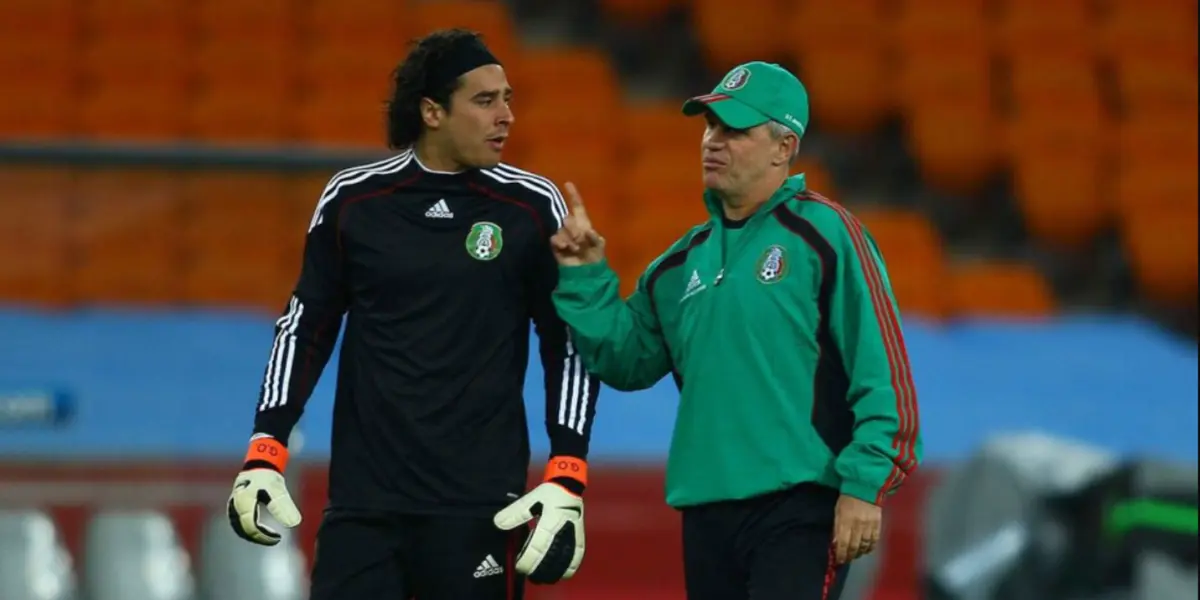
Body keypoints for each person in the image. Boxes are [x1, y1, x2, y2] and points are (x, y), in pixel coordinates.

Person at [224, 29, 600, 600]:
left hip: (480, 509)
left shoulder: (530, 206)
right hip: (364, 507)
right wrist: (265, 448)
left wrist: (568, 468)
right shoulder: (353, 201)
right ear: (432, 111)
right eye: (485, 100)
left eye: (509, 99)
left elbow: (566, 343)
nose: (506, 116)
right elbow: (305, 327)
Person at [549, 61, 923, 600]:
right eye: (710, 127)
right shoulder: (678, 265)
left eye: (735, 130)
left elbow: (882, 370)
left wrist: (865, 487)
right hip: (706, 510)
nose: (713, 142)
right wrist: (584, 276)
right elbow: (624, 358)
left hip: (803, 503)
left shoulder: (826, 233)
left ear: (784, 145)